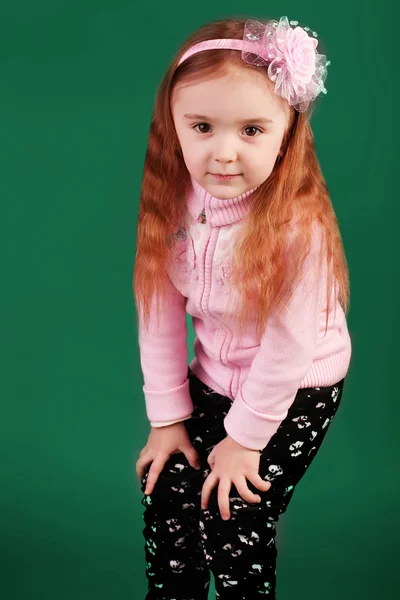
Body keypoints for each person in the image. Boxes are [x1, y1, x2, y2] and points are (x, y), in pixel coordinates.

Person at [133, 14, 352, 600]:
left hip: (294, 387)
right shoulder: (172, 201)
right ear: (173, 125)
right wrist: (167, 420)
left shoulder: (295, 226)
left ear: (287, 130)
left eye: (252, 130)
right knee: (170, 493)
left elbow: (289, 345)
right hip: (216, 376)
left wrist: (247, 439)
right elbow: (157, 313)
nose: (224, 153)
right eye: (202, 126)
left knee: (233, 515)